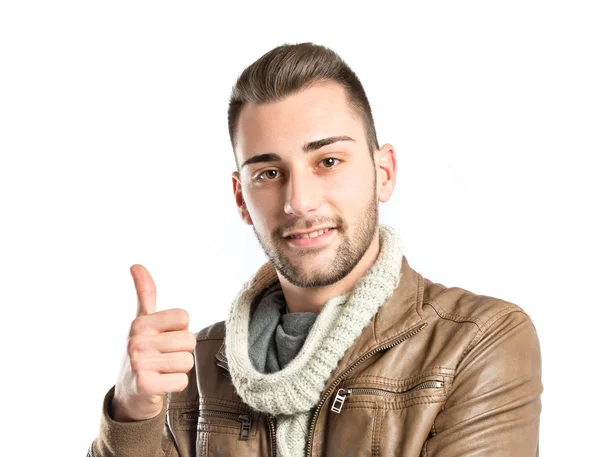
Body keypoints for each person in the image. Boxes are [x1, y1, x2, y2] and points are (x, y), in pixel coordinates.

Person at [88, 42, 542, 457]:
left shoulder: (476, 341)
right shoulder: (190, 367)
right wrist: (130, 417)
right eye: (268, 173)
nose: (298, 202)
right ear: (241, 198)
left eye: (328, 161)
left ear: (383, 173)